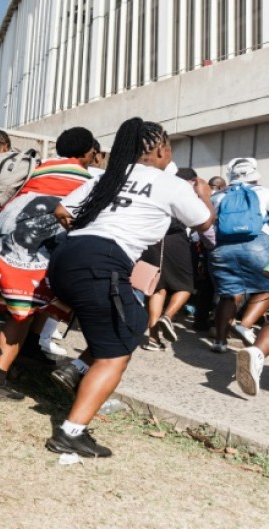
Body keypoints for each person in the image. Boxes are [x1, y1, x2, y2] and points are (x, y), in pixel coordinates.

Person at [47, 118, 213, 457]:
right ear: (161, 149)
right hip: (103, 262)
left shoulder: (110, 176)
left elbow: (61, 210)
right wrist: (206, 195)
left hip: (67, 256)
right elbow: (204, 222)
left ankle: (76, 368)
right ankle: (71, 432)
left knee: (131, 324)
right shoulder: (170, 183)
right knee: (116, 352)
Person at [0, 126, 97, 400]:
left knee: (41, 299)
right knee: (22, 310)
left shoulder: (39, 169)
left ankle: (29, 350)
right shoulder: (85, 181)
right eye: (93, 152)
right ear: (86, 153)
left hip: (1, 239)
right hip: (29, 249)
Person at [209, 158, 269, 353]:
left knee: (229, 295)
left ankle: (219, 342)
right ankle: (245, 324)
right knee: (266, 288)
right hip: (257, 246)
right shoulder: (265, 193)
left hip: (222, 249)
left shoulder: (218, 196)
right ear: (254, 175)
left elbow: (204, 226)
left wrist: (214, 245)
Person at [141, 167, 200, 350]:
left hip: (153, 240)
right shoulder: (186, 193)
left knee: (158, 289)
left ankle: (153, 339)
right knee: (185, 286)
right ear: (193, 181)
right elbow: (198, 221)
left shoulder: (163, 189)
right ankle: (168, 316)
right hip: (176, 242)